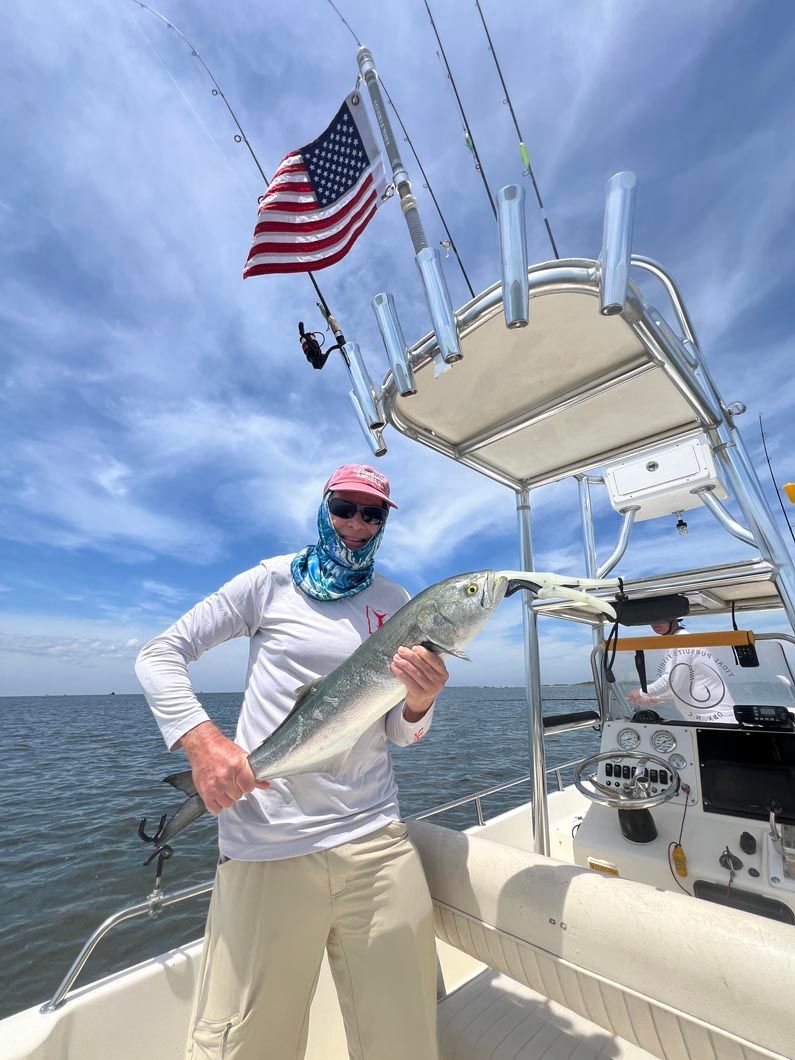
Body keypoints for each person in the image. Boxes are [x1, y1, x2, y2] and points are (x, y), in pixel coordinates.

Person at [135, 464, 449, 1060]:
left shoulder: (396, 602)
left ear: (385, 521)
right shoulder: (270, 581)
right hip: (269, 846)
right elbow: (159, 655)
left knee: (406, 1039)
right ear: (324, 506)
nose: (356, 524)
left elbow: (400, 735)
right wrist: (204, 745)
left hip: (375, 842)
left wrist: (420, 702)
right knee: (247, 1045)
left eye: (372, 513)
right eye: (345, 508)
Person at [626, 616, 735, 723]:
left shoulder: (684, 640)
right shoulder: (675, 641)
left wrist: (642, 692)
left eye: (662, 618)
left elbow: (672, 680)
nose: (656, 623)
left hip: (720, 719)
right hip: (701, 721)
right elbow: (680, 685)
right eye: (652, 619)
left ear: (674, 619)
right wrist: (657, 698)